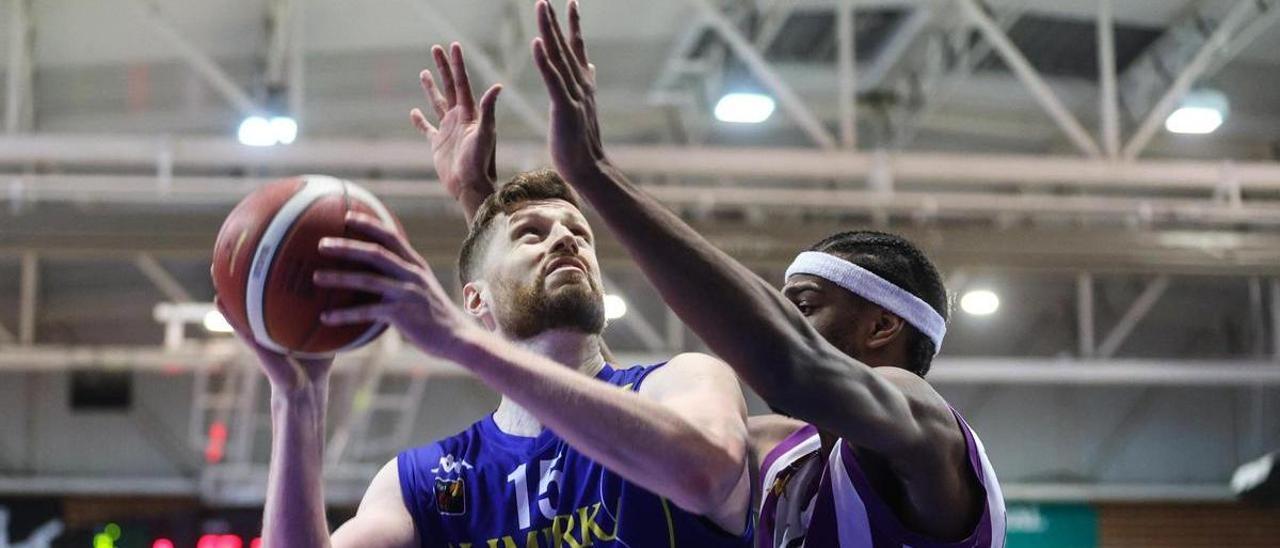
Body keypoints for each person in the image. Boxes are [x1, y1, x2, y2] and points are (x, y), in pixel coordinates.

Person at [223, 43, 754, 548]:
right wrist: (298, 401)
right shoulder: (424, 482)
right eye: (532, 233)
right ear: (474, 301)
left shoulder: (682, 381)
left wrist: (457, 339)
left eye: (578, 232)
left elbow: (706, 477)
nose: (566, 237)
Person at [525, 1, 1006, 546]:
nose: (782, 324)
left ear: (880, 326)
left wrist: (596, 176)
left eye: (803, 306)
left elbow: (792, 365)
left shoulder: (925, 423)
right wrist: (495, 239)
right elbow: (616, 405)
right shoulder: (780, 450)